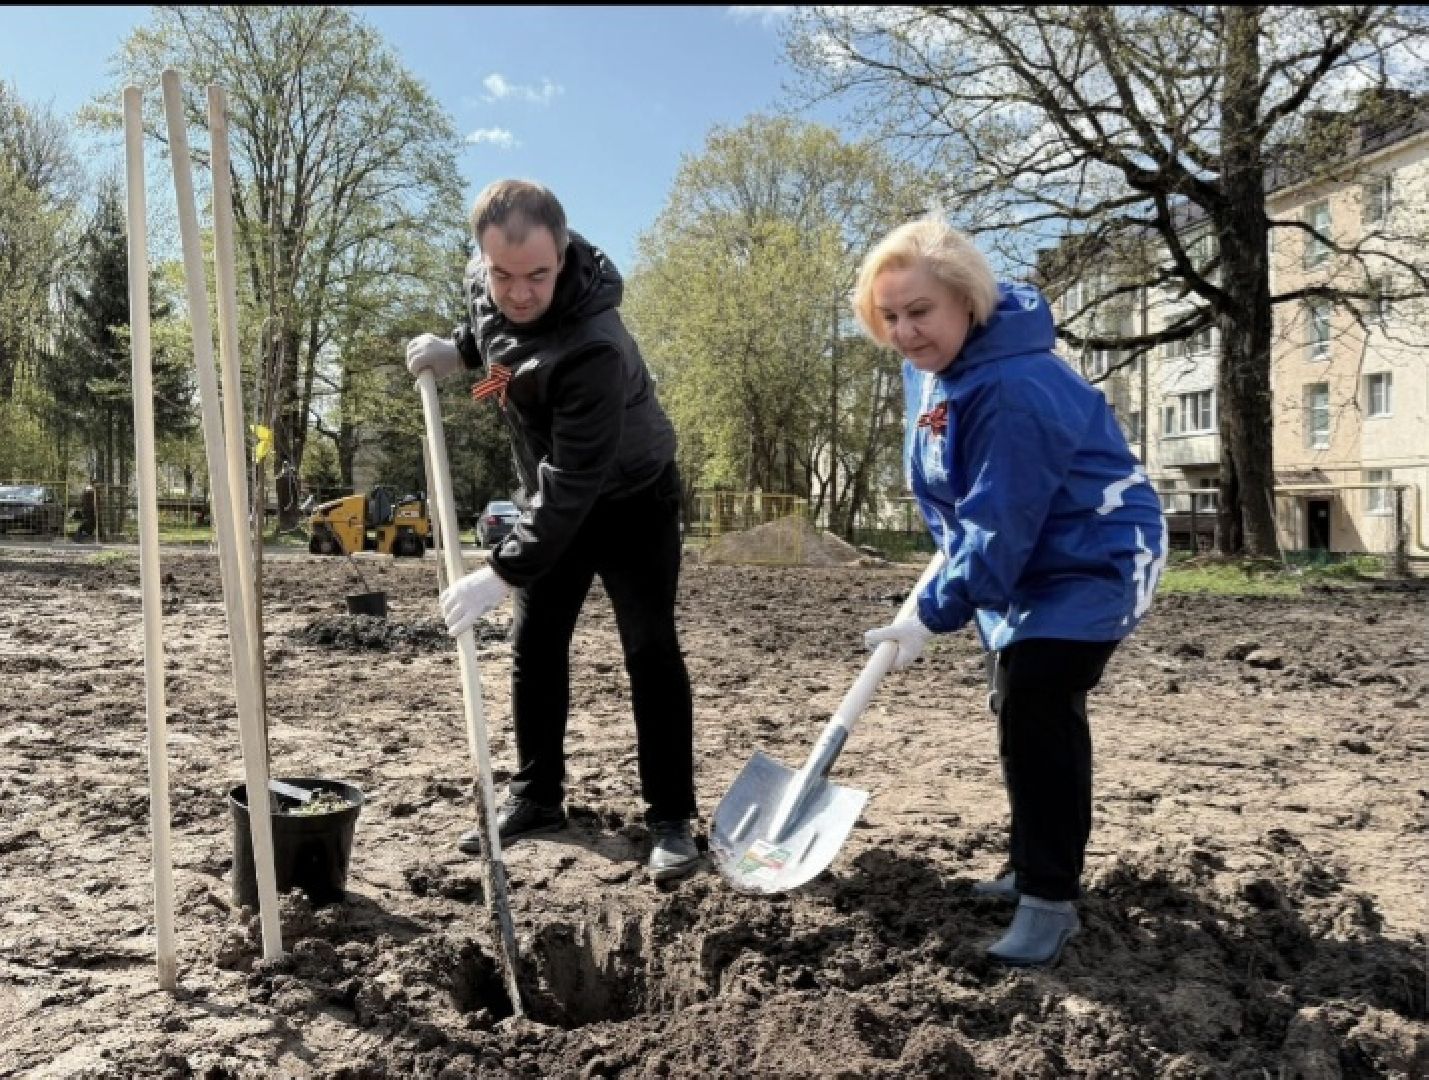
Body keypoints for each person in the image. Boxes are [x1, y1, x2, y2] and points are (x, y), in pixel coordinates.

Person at [854, 217, 1166, 967]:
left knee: (1037, 695)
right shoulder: (930, 369)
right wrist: (940, 575)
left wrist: (930, 615)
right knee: (1015, 698)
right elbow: (957, 498)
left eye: (919, 311)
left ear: (966, 299)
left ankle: (1049, 903)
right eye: (889, 316)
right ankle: (1032, 865)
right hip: (1020, 554)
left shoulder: (1017, 384)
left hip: (1095, 553)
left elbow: (999, 522)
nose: (904, 331)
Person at [405, 179, 699, 883]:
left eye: (537, 274)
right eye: (502, 274)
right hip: (553, 492)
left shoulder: (593, 345)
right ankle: (536, 797)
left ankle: (671, 820)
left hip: (631, 500)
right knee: (533, 645)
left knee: (648, 649)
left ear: (562, 254)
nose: (519, 291)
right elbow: (499, 347)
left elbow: (573, 484)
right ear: (482, 258)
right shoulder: (488, 282)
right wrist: (459, 353)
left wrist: (501, 570)